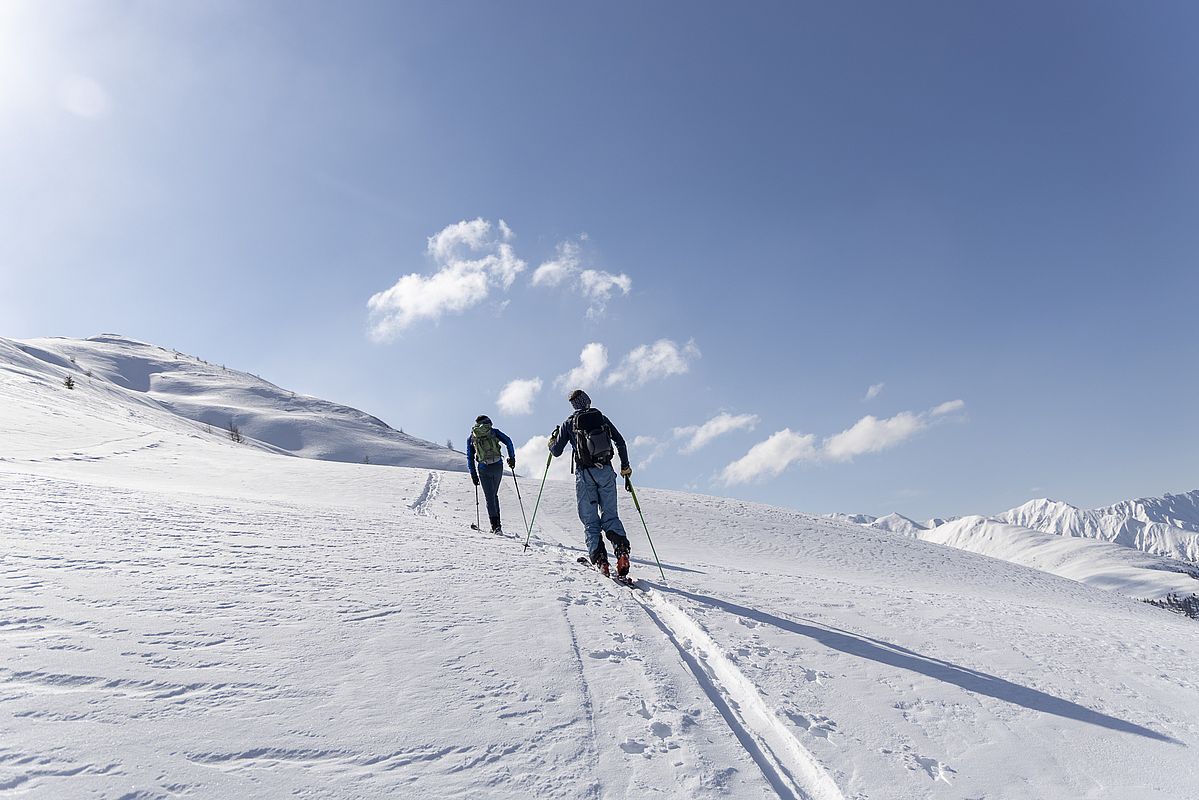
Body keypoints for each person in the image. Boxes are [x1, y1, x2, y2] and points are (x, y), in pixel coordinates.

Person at [547, 389, 633, 577]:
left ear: (573, 405)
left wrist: (551, 442)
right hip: (606, 471)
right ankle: (622, 552)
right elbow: (620, 442)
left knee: (590, 520)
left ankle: (601, 560)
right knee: (610, 515)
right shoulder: (601, 418)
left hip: (584, 474)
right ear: (588, 401)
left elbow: (556, 451)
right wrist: (625, 466)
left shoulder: (569, 423)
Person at [467, 415, 517, 534]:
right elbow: (508, 441)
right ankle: (497, 525)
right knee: (494, 495)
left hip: (484, 468)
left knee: (490, 497)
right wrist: (512, 458)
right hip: (497, 466)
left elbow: (470, 457)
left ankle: (495, 526)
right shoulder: (493, 432)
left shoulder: (472, 437)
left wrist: (473, 474)